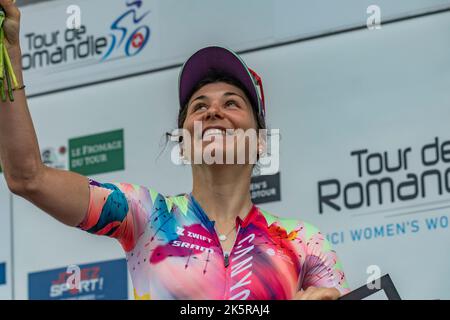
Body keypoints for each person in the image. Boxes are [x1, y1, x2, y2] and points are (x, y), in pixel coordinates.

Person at [0, 0, 350, 300]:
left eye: (232, 103)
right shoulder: (146, 216)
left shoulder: (304, 242)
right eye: (199, 106)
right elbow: (27, 177)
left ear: (260, 141)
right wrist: (8, 57)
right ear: (183, 141)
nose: (213, 111)